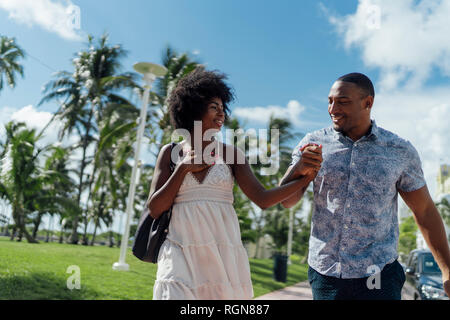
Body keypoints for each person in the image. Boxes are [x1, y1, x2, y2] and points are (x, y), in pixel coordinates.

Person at [148, 67, 318, 300]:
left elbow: (263, 199)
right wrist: (183, 168)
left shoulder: (231, 155)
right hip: (178, 248)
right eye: (213, 107)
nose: (221, 115)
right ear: (193, 109)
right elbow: (155, 208)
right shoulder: (170, 153)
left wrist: (306, 178)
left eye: (222, 108)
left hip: (221, 252)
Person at [280, 72, 450, 300]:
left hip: (380, 274)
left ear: (367, 103)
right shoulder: (312, 145)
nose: (333, 109)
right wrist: (299, 168)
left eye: (343, 102)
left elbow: (425, 211)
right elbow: (287, 201)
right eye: (330, 101)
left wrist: (447, 269)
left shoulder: (399, 151)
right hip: (327, 274)